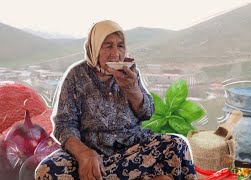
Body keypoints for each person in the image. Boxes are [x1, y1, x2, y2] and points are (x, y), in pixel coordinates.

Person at [35, 20, 197, 180]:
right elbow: (64, 125)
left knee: (177, 145)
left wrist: (132, 89)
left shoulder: (130, 73)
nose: (115, 53)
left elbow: (147, 113)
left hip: (133, 149)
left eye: (120, 45)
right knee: (47, 170)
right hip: (91, 152)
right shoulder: (76, 76)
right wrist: (83, 154)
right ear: (95, 48)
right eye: (107, 46)